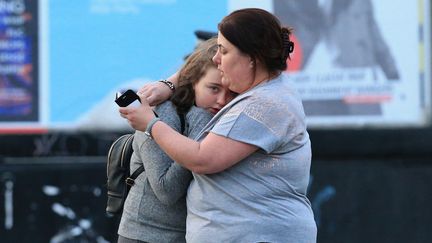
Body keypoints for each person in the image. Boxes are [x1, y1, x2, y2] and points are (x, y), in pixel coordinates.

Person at [120, 8, 317, 243]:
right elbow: (205, 71)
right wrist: (171, 83)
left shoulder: (263, 104)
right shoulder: (267, 90)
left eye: (223, 50)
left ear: (251, 59)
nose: (216, 58)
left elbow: (202, 159)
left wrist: (150, 123)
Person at [117, 37, 236, 243]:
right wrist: (201, 130)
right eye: (214, 88)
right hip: (147, 236)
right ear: (192, 82)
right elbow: (166, 191)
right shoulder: (161, 112)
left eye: (231, 92)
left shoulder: (223, 115)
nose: (222, 100)